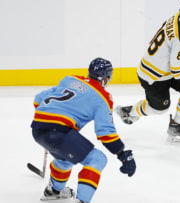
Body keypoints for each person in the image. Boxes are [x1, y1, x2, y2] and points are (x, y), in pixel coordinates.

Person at [31, 57, 136, 203]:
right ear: (106, 78)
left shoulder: (70, 80)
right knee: (97, 159)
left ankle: (53, 191)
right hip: (58, 133)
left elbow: (38, 100)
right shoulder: (103, 98)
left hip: (37, 128)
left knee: (65, 159)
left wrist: (49, 120)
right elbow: (105, 132)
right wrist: (121, 153)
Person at [115, 2, 180, 142]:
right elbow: (178, 69)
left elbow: (176, 54)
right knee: (160, 108)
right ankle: (129, 111)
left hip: (165, 69)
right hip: (153, 75)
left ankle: (176, 126)